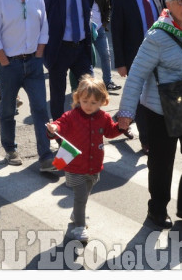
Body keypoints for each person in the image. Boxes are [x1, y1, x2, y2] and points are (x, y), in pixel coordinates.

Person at [117, 0, 182, 230]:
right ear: (169, 3)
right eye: (181, 0)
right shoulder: (157, 35)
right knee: (161, 162)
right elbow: (136, 74)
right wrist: (126, 113)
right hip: (160, 108)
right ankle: (157, 209)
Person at [0, 0, 56, 172]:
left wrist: (38, 53)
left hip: (34, 62)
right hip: (10, 65)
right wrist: (4, 61)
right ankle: (10, 149)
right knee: (8, 109)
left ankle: (45, 156)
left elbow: (44, 25)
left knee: (40, 110)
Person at [46, 75, 126, 242]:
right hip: (75, 165)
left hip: (94, 165)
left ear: (103, 102)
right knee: (81, 196)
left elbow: (110, 132)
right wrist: (54, 128)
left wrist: (121, 127)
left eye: (94, 102)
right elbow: (60, 125)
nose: (89, 106)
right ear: (78, 99)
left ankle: (76, 214)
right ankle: (79, 227)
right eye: (85, 101)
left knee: (87, 192)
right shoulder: (71, 116)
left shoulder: (103, 117)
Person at [110, 0, 165, 150]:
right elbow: (116, 33)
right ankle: (146, 141)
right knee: (142, 97)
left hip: (157, 54)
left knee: (153, 94)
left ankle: (121, 118)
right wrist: (121, 62)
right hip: (135, 55)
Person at [43, 0, 95, 123]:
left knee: (89, 89)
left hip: (80, 49)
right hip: (59, 49)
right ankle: (59, 131)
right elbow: (42, 23)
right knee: (58, 94)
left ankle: (86, 126)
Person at [84, 0, 121, 91]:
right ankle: (90, 85)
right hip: (86, 31)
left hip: (99, 29)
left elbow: (107, 8)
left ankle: (108, 82)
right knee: (89, 59)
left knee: (106, 55)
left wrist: (105, 23)